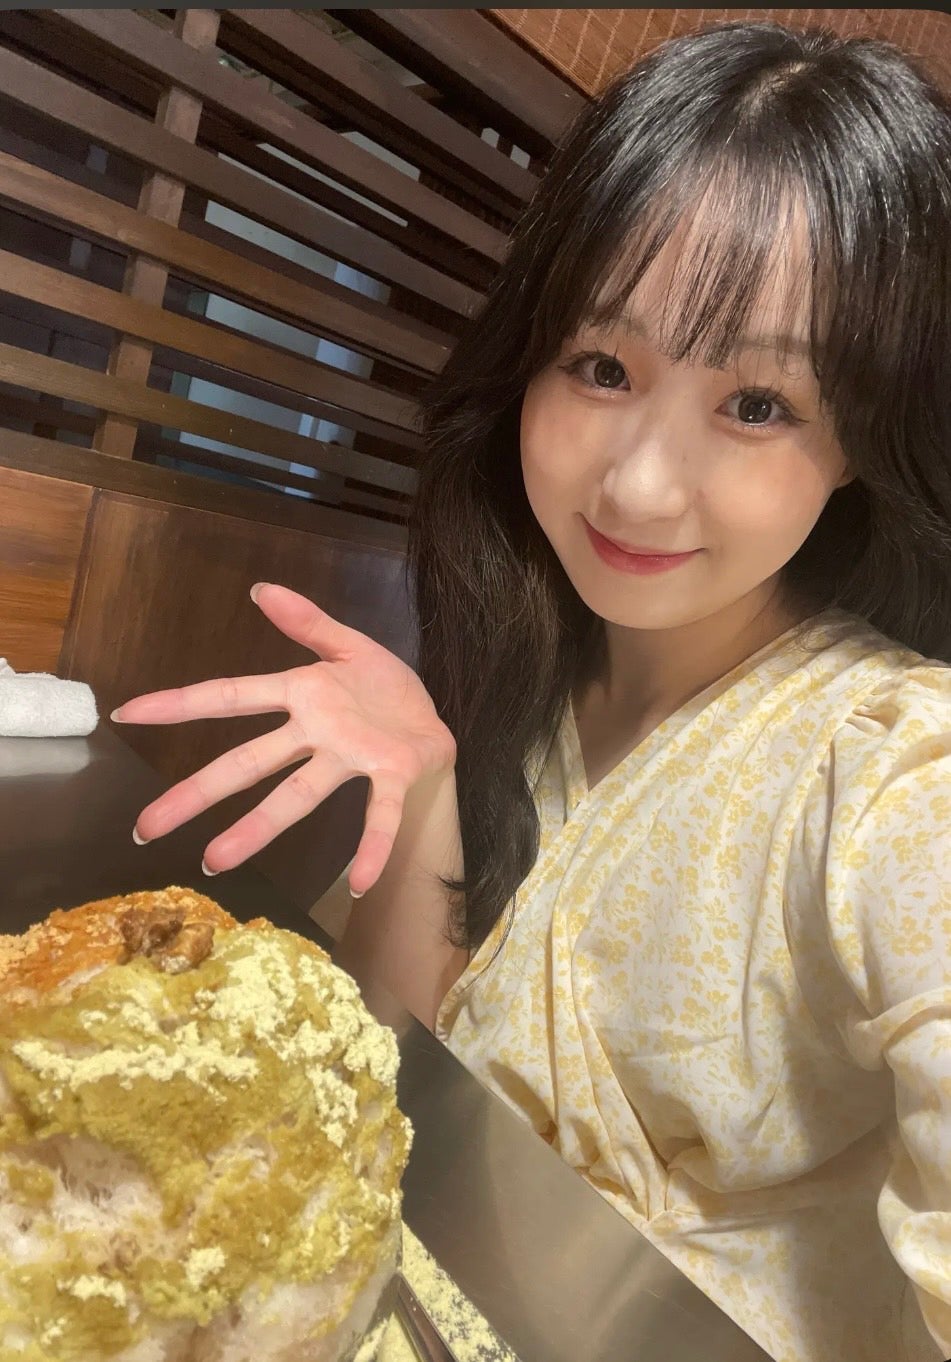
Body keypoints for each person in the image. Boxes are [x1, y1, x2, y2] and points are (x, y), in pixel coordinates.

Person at [112, 20, 951, 1362]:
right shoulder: (539, 667)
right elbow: (399, 1075)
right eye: (603, 367)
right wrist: (429, 778)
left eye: (757, 404)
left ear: (861, 432)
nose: (639, 487)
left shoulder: (902, 770)